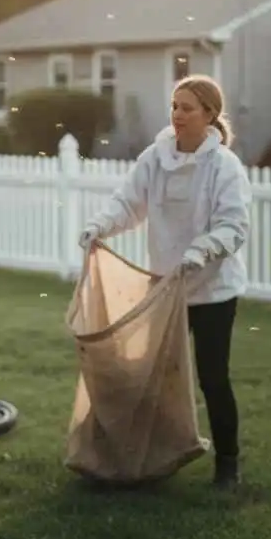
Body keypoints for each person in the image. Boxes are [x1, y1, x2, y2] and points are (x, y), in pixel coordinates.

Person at [77, 74, 251, 490]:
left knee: (212, 378)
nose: (178, 115)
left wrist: (201, 251)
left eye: (187, 108)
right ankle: (146, 458)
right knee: (151, 377)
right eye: (174, 106)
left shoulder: (224, 166)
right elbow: (128, 203)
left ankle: (228, 464)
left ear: (209, 114)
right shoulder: (155, 158)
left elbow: (234, 226)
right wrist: (100, 225)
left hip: (213, 291)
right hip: (165, 288)